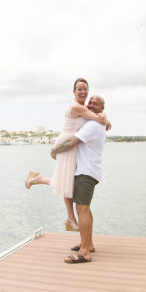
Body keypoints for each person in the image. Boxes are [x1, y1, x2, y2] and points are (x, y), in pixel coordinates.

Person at [25, 78, 110, 231]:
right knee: (65, 181)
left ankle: (36, 179)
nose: (83, 91)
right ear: (74, 91)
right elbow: (96, 117)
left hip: (72, 144)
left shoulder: (83, 106)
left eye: (85, 88)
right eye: (79, 89)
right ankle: (70, 218)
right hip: (67, 143)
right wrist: (105, 119)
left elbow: (96, 115)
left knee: (66, 180)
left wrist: (104, 116)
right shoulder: (77, 107)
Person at [49, 95, 107, 263]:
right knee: (85, 210)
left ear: (102, 108)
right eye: (91, 103)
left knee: (82, 210)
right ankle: (88, 244)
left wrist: (54, 151)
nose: (92, 105)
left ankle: (84, 253)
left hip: (86, 172)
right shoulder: (95, 122)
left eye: (96, 104)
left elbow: (72, 142)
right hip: (88, 171)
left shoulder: (93, 124)